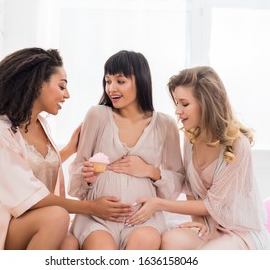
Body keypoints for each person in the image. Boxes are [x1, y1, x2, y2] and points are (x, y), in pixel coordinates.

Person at [0, 47, 132, 250]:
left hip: (33, 221)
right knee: (57, 217)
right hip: (5, 223)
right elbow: (27, 194)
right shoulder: (0, 131)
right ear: (37, 85)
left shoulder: (42, 124)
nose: (67, 95)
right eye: (61, 87)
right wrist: (92, 208)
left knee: (70, 242)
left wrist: (70, 149)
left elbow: (32, 167)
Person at [126, 66, 270, 249]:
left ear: (206, 103)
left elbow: (212, 204)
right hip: (207, 225)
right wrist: (197, 223)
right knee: (169, 241)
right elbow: (191, 189)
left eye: (184, 104)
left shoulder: (238, 145)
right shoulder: (191, 137)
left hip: (237, 229)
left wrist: (159, 204)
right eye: (176, 103)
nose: (177, 110)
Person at [68, 50, 184, 250]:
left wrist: (149, 171)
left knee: (144, 243)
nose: (111, 88)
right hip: (98, 219)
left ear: (140, 81)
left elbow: (177, 181)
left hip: (143, 218)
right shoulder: (97, 115)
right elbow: (78, 170)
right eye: (108, 81)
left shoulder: (165, 125)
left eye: (120, 81)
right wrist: (87, 176)